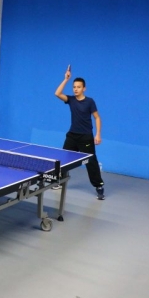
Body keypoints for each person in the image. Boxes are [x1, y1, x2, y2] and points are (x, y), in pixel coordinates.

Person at [55, 65, 105, 200]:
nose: (75, 89)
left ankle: (99, 186)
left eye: (78, 87)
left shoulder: (90, 102)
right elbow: (57, 93)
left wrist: (98, 134)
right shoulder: (71, 100)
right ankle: (59, 180)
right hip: (72, 135)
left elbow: (97, 117)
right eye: (74, 87)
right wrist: (66, 79)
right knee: (63, 159)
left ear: (84, 88)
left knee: (91, 162)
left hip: (86, 137)